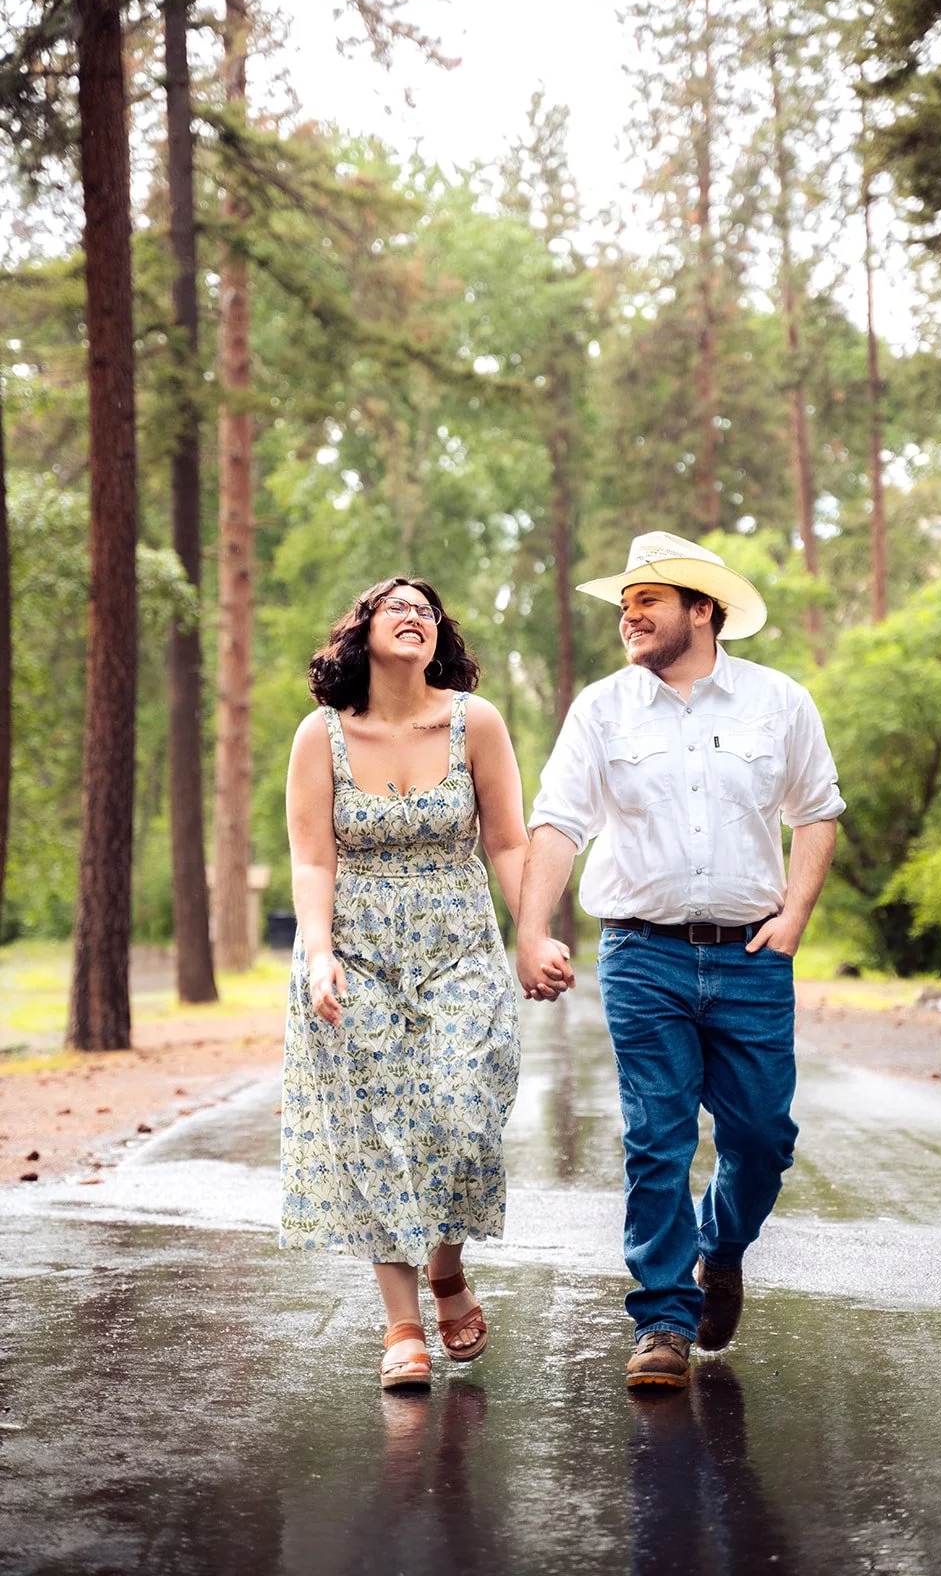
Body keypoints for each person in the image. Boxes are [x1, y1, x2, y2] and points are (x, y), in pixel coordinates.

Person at [516, 531, 844, 1390]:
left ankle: (720, 1247)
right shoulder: (601, 710)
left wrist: (796, 917)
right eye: (623, 602)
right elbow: (556, 823)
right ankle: (661, 1317)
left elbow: (817, 810)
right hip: (640, 954)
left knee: (761, 1137)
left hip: (750, 953)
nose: (627, 614)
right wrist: (531, 928)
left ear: (702, 609)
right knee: (655, 1139)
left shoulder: (778, 702)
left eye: (646, 600)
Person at [281, 577, 564, 1390]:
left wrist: (532, 932)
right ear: (361, 629)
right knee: (376, 1131)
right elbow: (311, 857)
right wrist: (318, 952)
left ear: (440, 636)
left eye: (427, 610)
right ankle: (401, 1320)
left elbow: (509, 843)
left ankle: (448, 1267)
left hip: (457, 949)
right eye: (395, 606)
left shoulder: (475, 723)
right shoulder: (321, 735)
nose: (415, 616)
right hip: (357, 953)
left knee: (464, 1111)